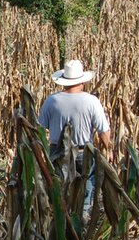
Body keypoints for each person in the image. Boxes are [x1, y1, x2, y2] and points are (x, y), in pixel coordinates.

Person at [37, 59, 112, 215]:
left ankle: (59, 220)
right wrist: (108, 150)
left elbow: (39, 129)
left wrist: (43, 153)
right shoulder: (91, 101)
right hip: (83, 153)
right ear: (82, 82)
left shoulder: (52, 101)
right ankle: (82, 220)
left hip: (57, 152)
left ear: (63, 82)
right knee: (86, 187)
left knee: (59, 189)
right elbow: (104, 131)